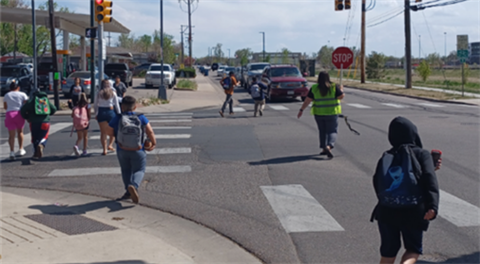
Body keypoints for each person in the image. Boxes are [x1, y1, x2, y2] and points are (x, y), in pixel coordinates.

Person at [372, 116, 440, 264]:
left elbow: (377, 181)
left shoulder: (387, 156)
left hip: (387, 210)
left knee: (388, 252)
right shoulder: (422, 154)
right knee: (413, 249)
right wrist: (432, 206)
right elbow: (429, 180)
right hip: (413, 210)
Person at [107, 95, 156, 204]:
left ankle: (128, 192)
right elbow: (150, 131)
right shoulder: (141, 117)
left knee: (125, 170)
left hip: (122, 149)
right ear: (135, 107)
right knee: (139, 169)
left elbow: (108, 131)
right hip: (138, 149)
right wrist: (154, 143)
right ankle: (133, 185)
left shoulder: (118, 117)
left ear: (122, 107)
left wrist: (117, 134)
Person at [297, 71, 344, 158]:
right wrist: (341, 90)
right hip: (331, 113)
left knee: (322, 131)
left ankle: (323, 148)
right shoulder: (333, 86)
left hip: (318, 113)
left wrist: (301, 110)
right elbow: (340, 96)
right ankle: (329, 146)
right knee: (332, 131)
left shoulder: (314, 88)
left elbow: (307, 100)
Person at [20, 89, 57, 160]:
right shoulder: (45, 100)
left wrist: (27, 117)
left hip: (34, 122)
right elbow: (54, 109)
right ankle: (42, 145)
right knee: (44, 136)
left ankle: (36, 153)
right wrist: (48, 114)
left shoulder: (31, 101)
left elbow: (23, 110)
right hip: (45, 122)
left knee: (35, 138)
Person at [94, 79, 121, 155]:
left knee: (103, 133)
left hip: (101, 112)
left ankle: (104, 149)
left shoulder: (98, 93)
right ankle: (110, 145)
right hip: (110, 111)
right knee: (113, 130)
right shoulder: (113, 93)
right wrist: (119, 114)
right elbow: (117, 105)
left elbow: (96, 105)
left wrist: (96, 114)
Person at [3, 80, 29, 160]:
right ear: (18, 87)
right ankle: (21, 149)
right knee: (20, 132)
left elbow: (5, 106)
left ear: (10, 88)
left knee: (11, 135)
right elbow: (26, 104)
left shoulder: (7, 95)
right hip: (19, 113)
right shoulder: (22, 94)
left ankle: (12, 151)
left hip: (10, 114)